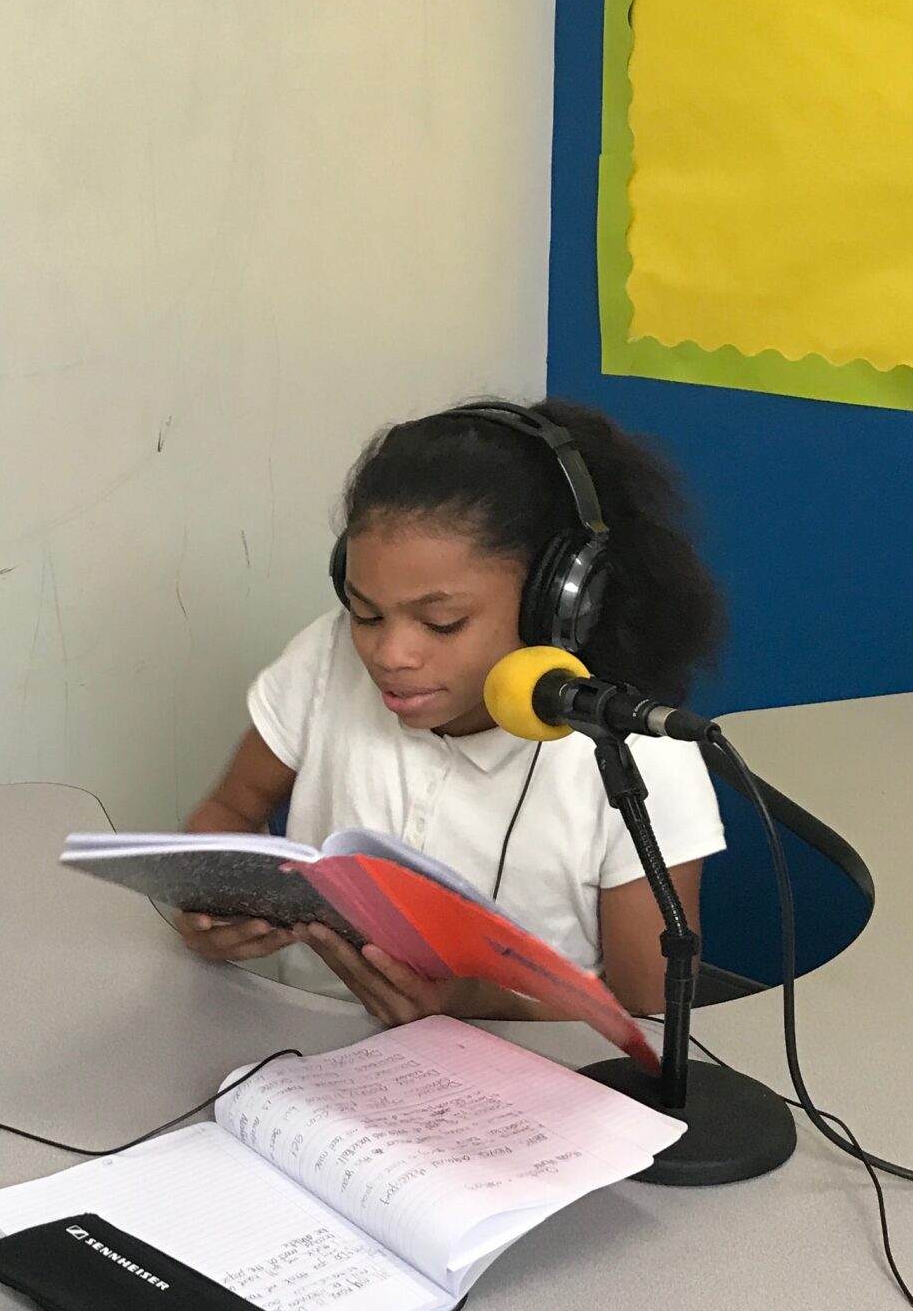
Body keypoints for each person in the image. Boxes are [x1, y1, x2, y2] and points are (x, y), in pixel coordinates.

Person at [178, 398, 726, 1021]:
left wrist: (478, 1004)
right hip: (305, 1050)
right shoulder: (327, 658)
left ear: (560, 606)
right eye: (366, 613)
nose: (390, 653)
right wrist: (210, 900)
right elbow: (231, 808)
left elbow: (651, 1013)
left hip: (532, 1083)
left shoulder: (640, 756)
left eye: (442, 623)